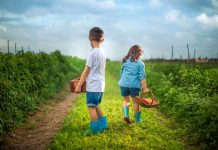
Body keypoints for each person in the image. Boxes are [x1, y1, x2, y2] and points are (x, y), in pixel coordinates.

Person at [75, 27, 107, 135]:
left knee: (91, 106)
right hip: (101, 85)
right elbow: (96, 69)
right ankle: (103, 125)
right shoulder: (103, 52)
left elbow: (86, 70)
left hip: (93, 85)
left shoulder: (92, 53)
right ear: (102, 40)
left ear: (90, 38)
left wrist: (79, 85)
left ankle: (94, 129)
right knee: (95, 105)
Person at [118, 45, 149, 123]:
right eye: (140, 54)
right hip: (134, 86)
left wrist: (123, 80)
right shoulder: (140, 64)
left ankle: (126, 115)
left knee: (126, 100)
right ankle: (137, 119)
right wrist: (144, 88)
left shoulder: (125, 61)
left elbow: (121, 72)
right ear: (139, 54)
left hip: (123, 84)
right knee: (136, 102)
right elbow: (142, 77)